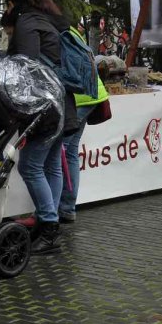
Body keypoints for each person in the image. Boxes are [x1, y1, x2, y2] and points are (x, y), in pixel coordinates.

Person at [5, 0, 78, 254]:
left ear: (13, 4)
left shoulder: (26, 23)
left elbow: (27, 67)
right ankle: (50, 219)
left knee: (30, 167)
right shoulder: (49, 19)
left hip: (46, 107)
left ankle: (48, 227)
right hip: (63, 103)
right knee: (51, 166)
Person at [58, 31, 109, 224]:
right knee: (70, 151)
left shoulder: (57, 33)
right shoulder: (71, 31)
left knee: (59, 151)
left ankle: (54, 210)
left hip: (79, 98)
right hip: (90, 95)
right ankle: (66, 208)